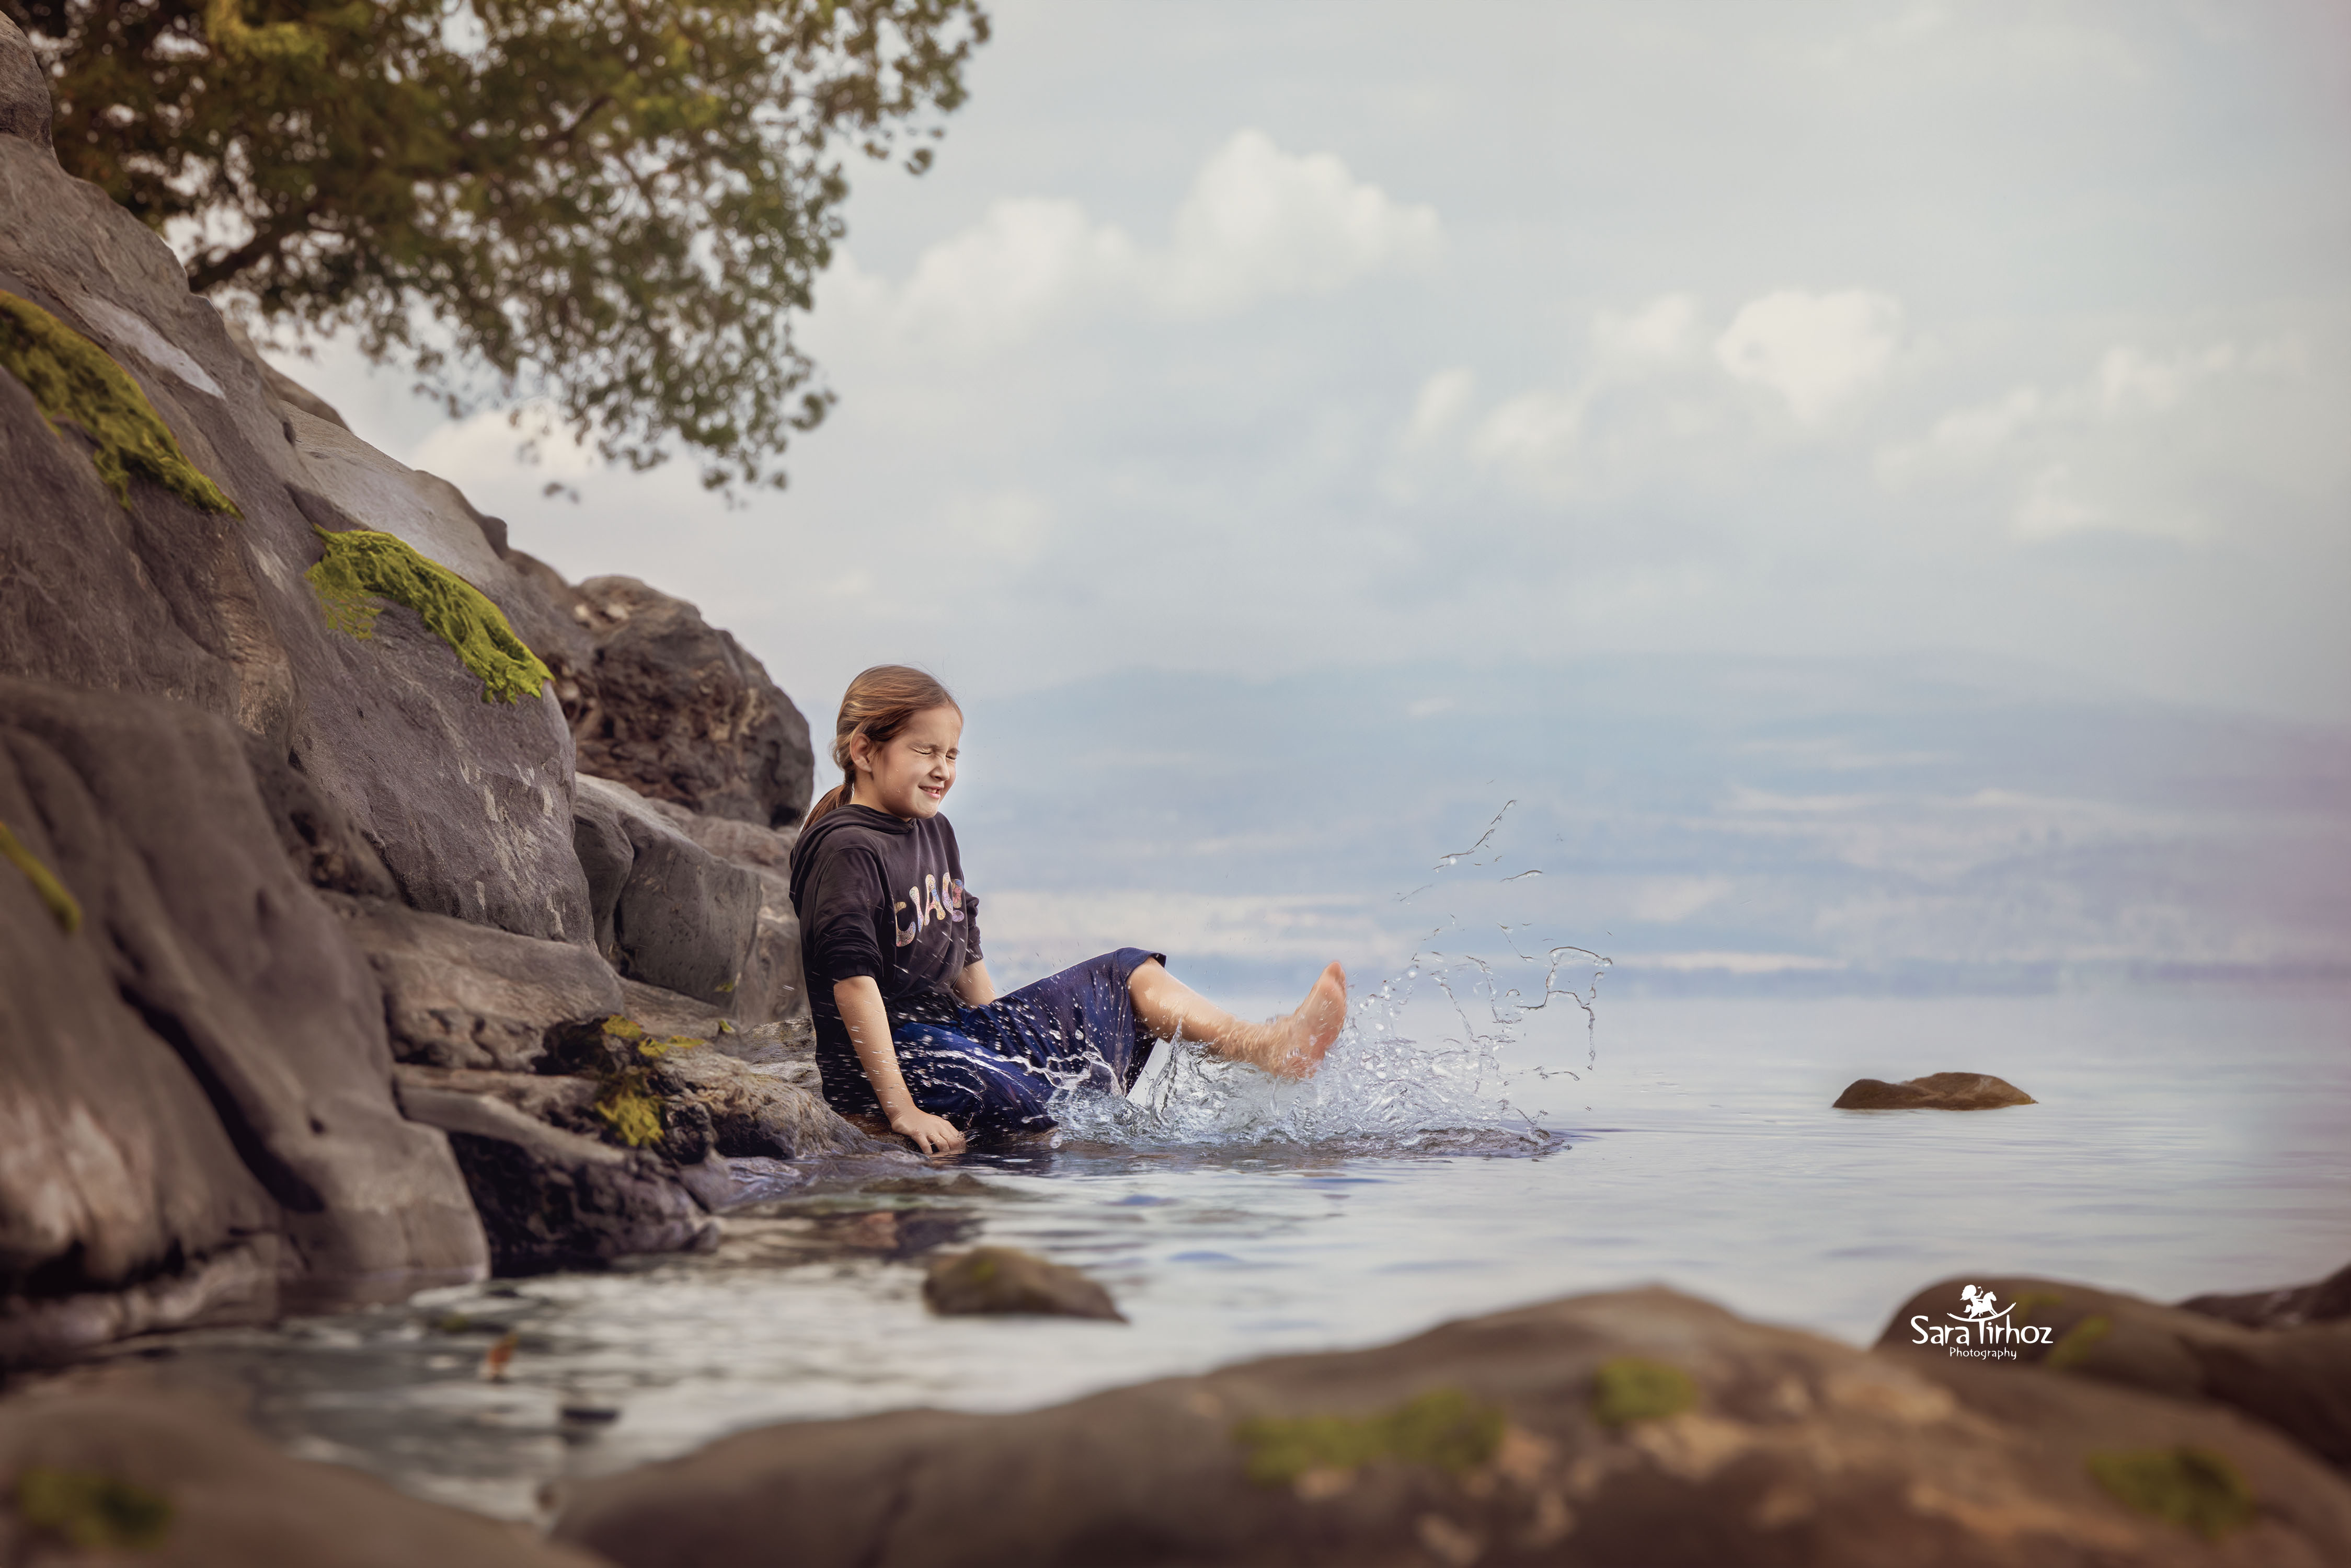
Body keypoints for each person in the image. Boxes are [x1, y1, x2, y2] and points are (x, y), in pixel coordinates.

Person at [786, 665, 1348, 1156]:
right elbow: (852, 987)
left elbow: (965, 954)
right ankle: (888, 1119)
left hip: (954, 1032)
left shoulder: (934, 831)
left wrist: (1004, 1039)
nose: (943, 769)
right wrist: (901, 1111)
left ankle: (1267, 1048)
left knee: (1127, 972)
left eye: (952, 754)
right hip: (890, 1057)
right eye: (925, 751)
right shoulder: (845, 848)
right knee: (1035, 1103)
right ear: (864, 751)